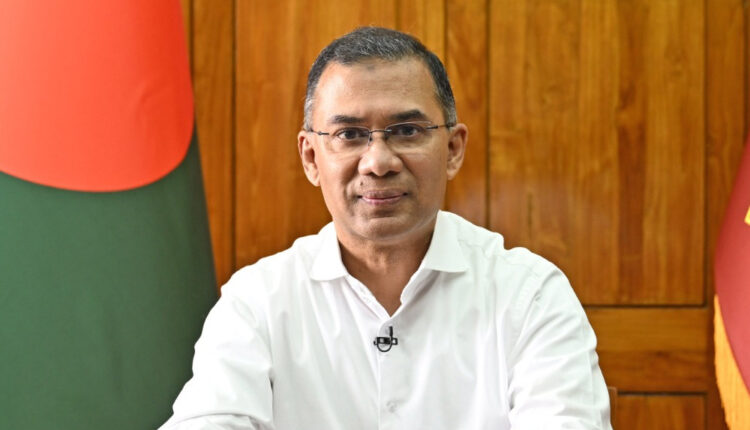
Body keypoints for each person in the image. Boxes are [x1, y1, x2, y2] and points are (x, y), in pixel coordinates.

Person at [160, 26, 612, 430]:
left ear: (453, 149)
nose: (378, 162)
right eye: (350, 135)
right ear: (311, 157)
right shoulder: (257, 301)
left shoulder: (529, 296)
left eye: (407, 130)